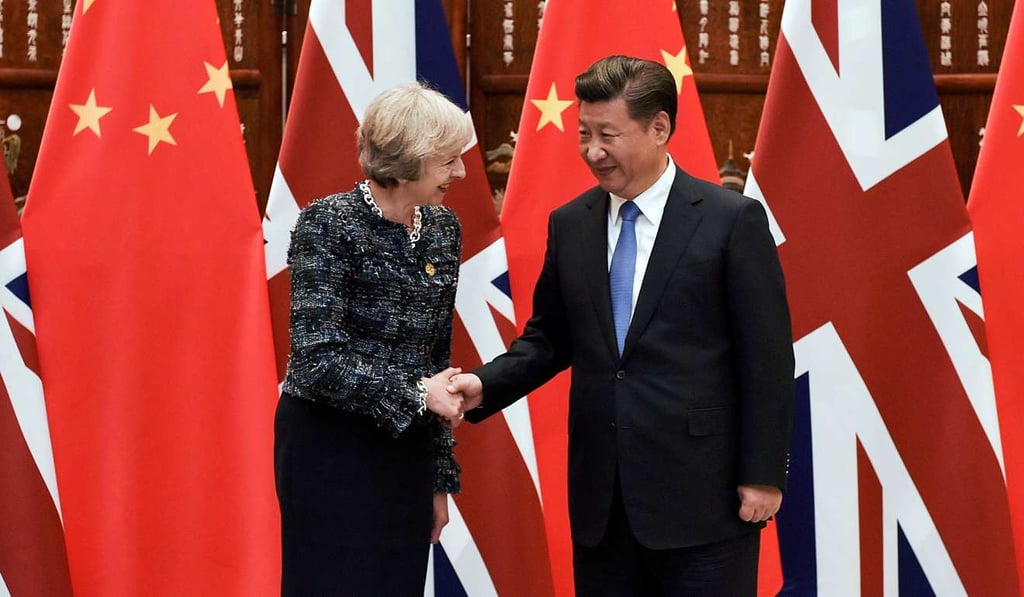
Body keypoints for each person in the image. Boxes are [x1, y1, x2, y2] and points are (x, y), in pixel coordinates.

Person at [448, 55, 795, 596]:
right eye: (584, 133)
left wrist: (763, 472)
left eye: (608, 134)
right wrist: (483, 384)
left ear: (659, 128)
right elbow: (548, 340)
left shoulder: (731, 220)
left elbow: (767, 359)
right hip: (602, 504)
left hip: (705, 499)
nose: (593, 151)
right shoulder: (571, 224)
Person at [273, 83, 471, 596]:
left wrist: (438, 479)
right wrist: (415, 393)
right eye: (449, 160)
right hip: (329, 448)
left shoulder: (444, 228)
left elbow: (436, 361)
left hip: (406, 446)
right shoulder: (328, 222)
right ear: (411, 161)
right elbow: (317, 358)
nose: (461, 172)